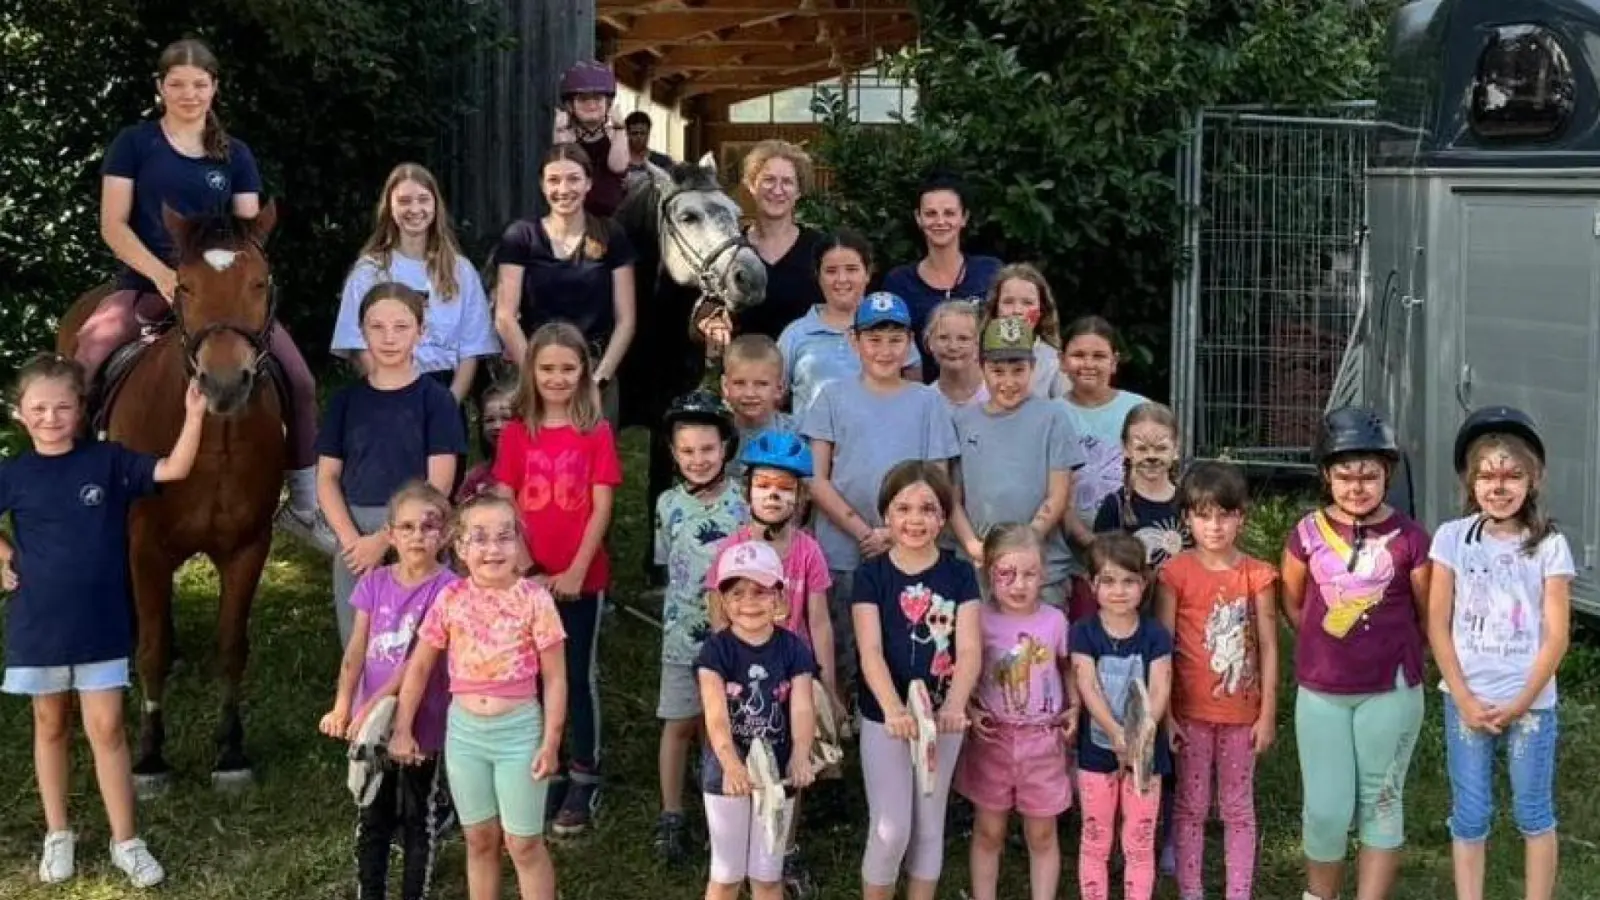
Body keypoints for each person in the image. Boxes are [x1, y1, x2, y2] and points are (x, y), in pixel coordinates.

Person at [84, 38, 321, 539]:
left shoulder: (235, 154)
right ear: (160, 88)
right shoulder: (134, 143)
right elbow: (112, 224)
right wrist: (162, 274)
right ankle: (85, 485)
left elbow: (249, 231)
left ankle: (303, 503)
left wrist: (231, 280)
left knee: (299, 380)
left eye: (198, 84)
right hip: (148, 281)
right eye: (177, 84)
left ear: (214, 88)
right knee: (90, 354)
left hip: (221, 294)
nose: (188, 93)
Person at [0, 353, 208, 888]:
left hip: (102, 625)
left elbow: (175, 468)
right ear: (19, 413)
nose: (51, 417)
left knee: (109, 729)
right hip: (39, 628)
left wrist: (195, 416)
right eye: (39, 408)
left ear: (80, 409)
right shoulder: (13, 475)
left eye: (62, 407)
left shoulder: (108, 462)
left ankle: (126, 840)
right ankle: (58, 833)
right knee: (50, 725)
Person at [1281, 407, 1431, 900]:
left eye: (1369, 475)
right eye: (1345, 475)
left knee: (1381, 802)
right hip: (1322, 689)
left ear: (1387, 474)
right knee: (1325, 808)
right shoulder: (1305, 534)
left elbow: (1427, 613)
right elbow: (1295, 603)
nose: (1357, 486)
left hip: (1390, 690)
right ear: (1327, 475)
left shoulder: (1411, 539)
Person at [389, 494, 568, 900]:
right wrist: (402, 727)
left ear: (518, 544)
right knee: (480, 839)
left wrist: (551, 741)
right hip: (465, 735)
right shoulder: (450, 598)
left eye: (504, 537)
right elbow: (418, 668)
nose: (493, 549)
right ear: (461, 547)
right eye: (480, 538)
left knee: (523, 844)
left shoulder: (534, 600)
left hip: (519, 733)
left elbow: (556, 678)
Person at [1426, 407, 1571, 900]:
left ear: (1534, 480)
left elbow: (1556, 635)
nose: (1499, 486)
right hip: (1467, 700)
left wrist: (1523, 700)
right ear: (1471, 481)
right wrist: (1464, 698)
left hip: (1529, 703)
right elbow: (1437, 625)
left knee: (1534, 811)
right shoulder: (1451, 538)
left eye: (1512, 475)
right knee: (1470, 813)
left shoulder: (1549, 544)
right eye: (1487, 475)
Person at [491, 322, 621, 836]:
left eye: (569, 368)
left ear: (584, 373)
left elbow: (602, 507)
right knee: (536, 679)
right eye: (547, 368)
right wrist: (526, 566)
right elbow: (505, 498)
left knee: (576, 676)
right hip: (528, 581)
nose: (558, 378)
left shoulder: (596, 433)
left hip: (580, 580)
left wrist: (573, 571)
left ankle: (585, 774)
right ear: (531, 371)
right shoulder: (519, 431)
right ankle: (551, 763)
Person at [801, 291, 955, 705]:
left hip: (910, 549)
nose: (884, 350)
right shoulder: (831, 397)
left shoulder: (928, 402)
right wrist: (864, 530)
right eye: (874, 338)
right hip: (843, 548)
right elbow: (816, 478)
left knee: (905, 643)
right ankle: (841, 734)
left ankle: (899, 725)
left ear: (909, 343)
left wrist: (894, 531)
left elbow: (937, 478)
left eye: (894, 339)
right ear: (854, 341)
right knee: (845, 645)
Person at [710, 428, 838, 893]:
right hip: (742, 682)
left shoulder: (808, 551)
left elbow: (820, 621)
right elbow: (717, 615)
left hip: (794, 679)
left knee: (792, 766)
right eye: (763, 484)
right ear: (748, 490)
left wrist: (829, 684)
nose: (772, 495)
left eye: (784, 488)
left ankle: (781, 846)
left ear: (800, 497)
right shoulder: (731, 549)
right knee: (742, 759)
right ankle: (739, 846)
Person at [319, 481, 457, 900]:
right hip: (371, 722)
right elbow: (356, 649)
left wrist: (374, 708)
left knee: (419, 813)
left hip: (422, 719)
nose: (418, 536)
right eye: (408, 527)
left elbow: (417, 662)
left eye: (429, 527)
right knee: (372, 811)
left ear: (446, 534)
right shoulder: (375, 582)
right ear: (391, 534)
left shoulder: (449, 588)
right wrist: (344, 705)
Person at [852, 461, 981, 900]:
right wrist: (891, 708)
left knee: (929, 825)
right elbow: (869, 650)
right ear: (886, 515)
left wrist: (954, 706)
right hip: (885, 718)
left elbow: (967, 651)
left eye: (927, 509)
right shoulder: (871, 575)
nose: (915, 519)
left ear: (943, 518)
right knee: (891, 829)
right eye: (903, 508)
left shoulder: (960, 574)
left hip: (940, 719)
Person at [1154, 462, 1279, 900]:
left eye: (1224, 514)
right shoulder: (1175, 573)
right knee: (1189, 808)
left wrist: (1267, 715)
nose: (1215, 526)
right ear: (1187, 518)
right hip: (1189, 714)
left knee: (1237, 809)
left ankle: (1238, 892)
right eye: (1204, 515)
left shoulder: (1258, 574)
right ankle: (1191, 891)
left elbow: (1268, 646)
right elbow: (1162, 648)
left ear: (1241, 516)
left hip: (1242, 715)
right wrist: (1165, 714)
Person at [317, 283, 466, 646]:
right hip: (354, 535)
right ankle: (362, 703)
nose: (388, 338)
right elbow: (327, 477)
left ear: (420, 331)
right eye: (376, 327)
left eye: (401, 327)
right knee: (359, 641)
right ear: (362, 331)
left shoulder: (437, 400)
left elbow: (439, 487)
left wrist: (385, 540)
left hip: (418, 532)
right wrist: (354, 542)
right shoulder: (345, 401)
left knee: (419, 645)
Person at [653, 390, 749, 866]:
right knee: (678, 723)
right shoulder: (667, 503)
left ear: (725, 448)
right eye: (687, 451)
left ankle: (722, 811)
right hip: (681, 635)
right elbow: (668, 562)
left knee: (722, 729)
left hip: (732, 640)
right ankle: (671, 814)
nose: (698, 459)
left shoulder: (744, 504)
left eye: (707, 450)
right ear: (673, 453)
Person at [955, 524, 1077, 900]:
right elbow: (967, 668)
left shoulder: (1054, 620)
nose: (1019, 584)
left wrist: (1074, 706)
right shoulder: (979, 619)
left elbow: (1067, 666)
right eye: (1007, 574)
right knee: (989, 830)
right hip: (993, 740)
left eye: (1029, 574)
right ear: (989, 574)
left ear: (1044, 574)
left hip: (1043, 741)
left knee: (1042, 832)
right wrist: (972, 708)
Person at [697, 539, 819, 900]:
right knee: (727, 874)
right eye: (737, 593)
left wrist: (800, 754)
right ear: (722, 601)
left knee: (767, 875)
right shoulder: (716, 650)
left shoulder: (794, 648)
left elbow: (801, 707)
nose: (749, 602)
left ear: (779, 599)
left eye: (760, 591)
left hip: (778, 775)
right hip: (726, 774)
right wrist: (732, 765)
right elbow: (715, 716)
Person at [493, 143, 637, 427]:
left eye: (573, 179)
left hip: (594, 368)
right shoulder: (521, 236)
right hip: (535, 367)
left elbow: (627, 320)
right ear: (542, 185)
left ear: (588, 184)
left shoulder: (611, 234)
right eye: (554, 180)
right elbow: (505, 317)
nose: (564, 189)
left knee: (594, 468)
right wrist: (536, 375)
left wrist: (599, 380)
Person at [332, 162, 499, 401]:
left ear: (435, 205)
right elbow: (357, 344)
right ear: (389, 207)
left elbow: (472, 348)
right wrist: (390, 393)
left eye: (423, 199)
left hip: (445, 389)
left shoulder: (460, 270)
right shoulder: (369, 271)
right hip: (385, 391)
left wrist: (450, 404)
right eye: (404, 201)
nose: (415, 209)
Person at [948, 316, 1083, 609]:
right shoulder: (962, 420)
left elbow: (1058, 495)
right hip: (979, 567)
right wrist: (973, 544)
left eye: (1018, 370)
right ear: (981, 368)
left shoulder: (1053, 417)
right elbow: (952, 497)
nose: (1008, 382)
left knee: (1035, 651)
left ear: (1033, 368)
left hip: (1039, 571)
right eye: (998, 371)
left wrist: (1023, 547)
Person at [1072, 532, 1173, 900]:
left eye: (1129, 581)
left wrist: (1140, 735)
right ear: (1092, 584)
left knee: (1139, 840)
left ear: (1144, 585)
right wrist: (1116, 733)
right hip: (1097, 752)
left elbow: (1160, 687)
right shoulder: (1083, 632)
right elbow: (1087, 685)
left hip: (1146, 756)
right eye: (1109, 581)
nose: (1119, 590)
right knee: (1096, 837)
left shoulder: (1155, 634)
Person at [778, 232, 923, 419]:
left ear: (868, 274)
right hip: (811, 445)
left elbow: (915, 399)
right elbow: (774, 399)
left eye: (852, 269)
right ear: (818, 275)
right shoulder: (795, 334)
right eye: (831, 271)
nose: (841, 279)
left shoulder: (892, 327)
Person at [880, 172, 1002, 380]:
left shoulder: (990, 272)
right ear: (918, 218)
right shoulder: (898, 283)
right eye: (931, 214)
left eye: (949, 213)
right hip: (924, 398)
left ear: (964, 218)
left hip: (986, 396)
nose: (940, 221)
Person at [1061, 316, 1150, 534]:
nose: (1088, 364)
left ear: (1114, 362)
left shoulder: (1139, 410)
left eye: (1099, 356)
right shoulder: (1049, 414)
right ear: (1062, 361)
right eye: (1078, 355)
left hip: (1130, 547)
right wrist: (1089, 543)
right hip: (1062, 551)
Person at [736, 141, 826, 341]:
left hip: (805, 367)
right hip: (746, 367)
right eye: (768, 180)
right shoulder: (731, 248)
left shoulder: (820, 248)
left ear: (799, 192)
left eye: (787, 182)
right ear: (751, 184)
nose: (777, 190)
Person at [1093, 402, 1188, 573]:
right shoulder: (1115, 507)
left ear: (1176, 449)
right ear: (1126, 449)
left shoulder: (1190, 504)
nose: (1151, 456)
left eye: (1161, 448)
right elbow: (1100, 570)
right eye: (1142, 449)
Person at [551, 61, 630, 218]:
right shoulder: (566, 134)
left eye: (597, 99)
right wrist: (561, 131)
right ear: (570, 105)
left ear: (608, 104)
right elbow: (565, 168)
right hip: (573, 217)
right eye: (583, 99)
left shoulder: (614, 133)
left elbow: (618, 167)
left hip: (612, 219)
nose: (591, 104)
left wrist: (620, 129)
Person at [981, 263, 1066, 400]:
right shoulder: (974, 357)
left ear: (1042, 310)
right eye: (1008, 302)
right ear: (995, 307)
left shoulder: (1054, 362)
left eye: (1027, 303)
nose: (1017, 310)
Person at [721, 334, 794, 484]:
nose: (750, 394)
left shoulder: (795, 435)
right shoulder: (716, 436)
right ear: (725, 386)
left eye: (761, 384)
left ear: (779, 388)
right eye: (739, 383)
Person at [457, 379, 517, 504]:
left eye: (506, 418)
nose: (497, 425)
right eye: (489, 420)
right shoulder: (476, 478)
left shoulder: (535, 471)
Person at [923, 301, 988, 411]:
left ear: (977, 343)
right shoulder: (925, 402)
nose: (953, 347)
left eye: (963, 338)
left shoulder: (997, 392)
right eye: (943, 338)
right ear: (930, 342)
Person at [623, 110, 674, 176]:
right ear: (627, 133)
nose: (639, 137)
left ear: (648, 133)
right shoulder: (617, 162)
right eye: (635, 133)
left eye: (643, 133)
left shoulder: (663, 162)